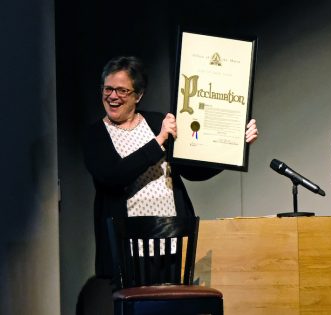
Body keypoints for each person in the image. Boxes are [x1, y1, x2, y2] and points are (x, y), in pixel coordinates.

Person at [83, 56, 259, 280]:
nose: (113, 96)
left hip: (172, 241)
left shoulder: (157, 122)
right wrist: (158, 143)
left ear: (139, 95)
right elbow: (113, 176)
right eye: (108, 89)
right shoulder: (95, 134)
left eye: (121, 90)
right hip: (127, 249)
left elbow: (192, 171)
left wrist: (236, 146)